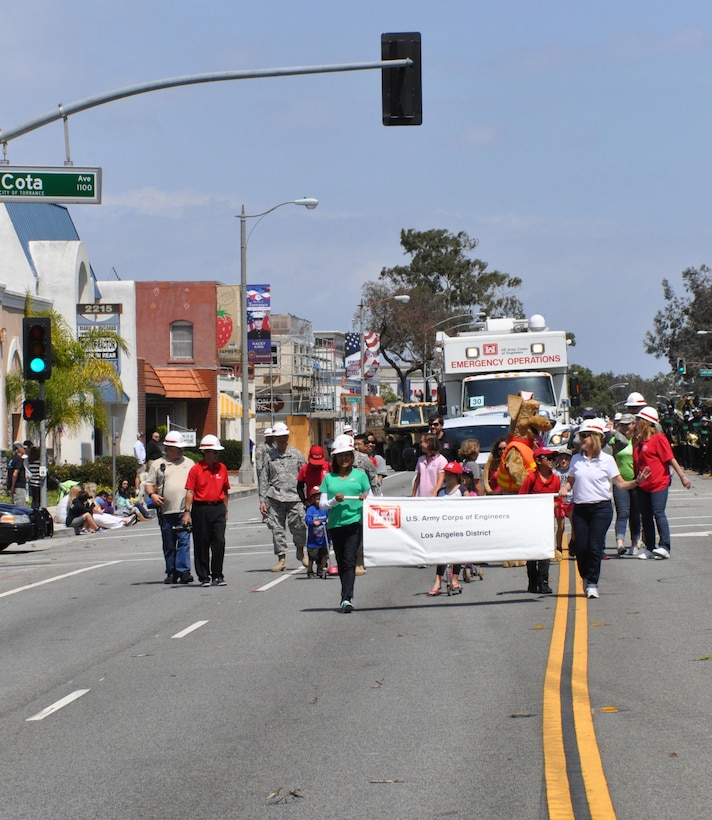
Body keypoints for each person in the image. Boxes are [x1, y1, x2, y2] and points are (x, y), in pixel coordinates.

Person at [558, 418, 650, 599]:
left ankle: (592, 583)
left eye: (585, 436)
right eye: (580, 435)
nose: (581, 439)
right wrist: (564, 488)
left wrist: (638, 482)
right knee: (581, 548)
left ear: (596, 438)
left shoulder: (607, 460)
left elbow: (621, 484)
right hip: (581, 509)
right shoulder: (576, 459)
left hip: (601, 508)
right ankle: (585, 576)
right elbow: (570, 482)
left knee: (594, 547)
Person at [319, 434, 371, 612]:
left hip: (354, 523)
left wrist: (365, 497)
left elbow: (371, 498)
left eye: (347, 455)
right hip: (335, 525)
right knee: (341, 561)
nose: (344, 458)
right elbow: (322, 505)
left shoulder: (360, 476)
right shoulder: (328, 478)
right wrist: (335, 501)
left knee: (349, 560)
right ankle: (346, 593)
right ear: (335, 457)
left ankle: (346, 598)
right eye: (340, 455)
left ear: (352, 456)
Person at [633, 406, 692, 560]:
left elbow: (670, 458)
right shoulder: (639, 441)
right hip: (642, 485)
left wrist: (682, 476)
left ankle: (665, 546)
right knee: (645, 516)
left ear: (646, 422)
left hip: (658, 483)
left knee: (658, 513)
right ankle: (650, 547)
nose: (636, 422)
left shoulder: (659, 438)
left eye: (639, 420)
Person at [145, 430, 196, 584]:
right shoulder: (158, 464)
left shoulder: (189, 463)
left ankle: (184, 571)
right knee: (169, 542)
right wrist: (152, 495)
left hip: (183, 510)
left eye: (182, 447)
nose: (181, 449)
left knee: (184, 540)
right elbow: (149, 484)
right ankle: (172, 571)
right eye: (177, 447)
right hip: (166, 510)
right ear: (168, 447)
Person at [258, 421, 307, 572]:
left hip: (295, 498)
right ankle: (281, 558)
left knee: (299, 526)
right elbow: (264, 478)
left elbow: (305, 476)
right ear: (274, 438)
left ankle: (300, 550)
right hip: (275, 497)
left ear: (287, 436)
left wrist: (308, 498)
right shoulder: (269, 456)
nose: (281, 439)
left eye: (284, 436)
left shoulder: (296, 454)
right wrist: (262, 500)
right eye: (278, 436)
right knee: (277, 529)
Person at [182, 434, 230, 587]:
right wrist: (187, 512)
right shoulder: (195, 469)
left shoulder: (222, 468)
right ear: (206, 452)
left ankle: (217, 575)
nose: (217, 455)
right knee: (202, 543)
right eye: (214, 452)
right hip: (201, 509)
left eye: (218, 453)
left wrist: (226, 509)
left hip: (218, 508)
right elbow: (189, 491)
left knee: (219, 541)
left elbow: (225, 490)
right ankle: (204, 576)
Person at [519, 447, 561, 594]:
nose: (551, 461)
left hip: (547, 520)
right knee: (532, 552)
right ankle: (532, 582)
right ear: (538, 461)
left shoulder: (555, 479)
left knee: (545, 551)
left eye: (552, 458)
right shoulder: (531, 478)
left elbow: (559, 501)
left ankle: (544, 582)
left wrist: (547, 506)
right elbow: (521, 498)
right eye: (548, 458)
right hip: (531, 520)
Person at [428, 461, 464, 596]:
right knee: (442, 556)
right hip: (443, 528)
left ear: (457, 475)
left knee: (456, 554)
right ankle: (438, 581)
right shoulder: (441, 492)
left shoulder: (462, 491)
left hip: (459, 527)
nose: (448, 476)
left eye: (451, 474)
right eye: (446, 473)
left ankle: (455, 579)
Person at [609, 414, 641, 556]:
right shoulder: (615, 439)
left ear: (634, 424)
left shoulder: (639, 440)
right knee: (622, 513)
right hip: (620, 481)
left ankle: (635, 543)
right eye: (622, 424)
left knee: (635, 514)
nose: (625, 426)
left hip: (636, 481)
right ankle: (620, 544)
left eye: (628, 424)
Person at [305, 486, 330, 578]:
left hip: (324, 538)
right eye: (316, 498)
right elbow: (307, 519)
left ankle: (322, 568)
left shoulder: (326, 508)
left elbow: (330, 516)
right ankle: (310, 570)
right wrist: (313, 522)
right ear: (313, 499)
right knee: (312, 555)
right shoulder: (311, 509)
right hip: (314, 540)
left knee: (324, 554)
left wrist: (328, 520)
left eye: (320, 498)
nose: (318, 500)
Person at [412, 433, 447, 498]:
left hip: (435, 498)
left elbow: (441, 479)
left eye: (422, 442)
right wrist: (413, 494)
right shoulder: (421, 460)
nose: (420, 444)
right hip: (421, 497)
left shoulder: (441, 460)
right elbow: (418, 478)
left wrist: (434, 494)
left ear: (429, 443)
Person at [553, 451, 574, 555]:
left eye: (566, 459)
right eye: (561, 459)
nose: (563, 461)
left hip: (571, 500)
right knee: (560, 527)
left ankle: (573, 543)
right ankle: (559, 547)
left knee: (574, 525)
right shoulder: (555, 472)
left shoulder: (572, 471)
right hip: (560, 501)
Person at [8, 441, 28, 506]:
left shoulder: (13, 459)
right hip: (19, 487)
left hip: (14, 486)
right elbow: (15, 473)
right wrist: (13, 486)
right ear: (19, 449)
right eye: (23, 448)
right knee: (20, 507)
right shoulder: (19, 459)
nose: (25, 450)